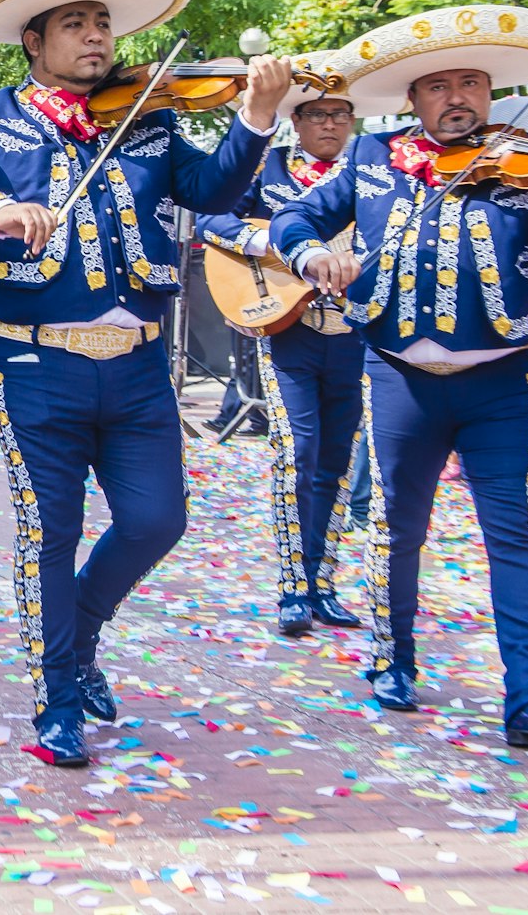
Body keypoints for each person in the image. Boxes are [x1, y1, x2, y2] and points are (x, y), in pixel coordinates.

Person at [0, 0, 287, 766]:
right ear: (34, 40)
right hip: (33, 362)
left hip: (137, 367)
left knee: (158, 520)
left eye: (103, 24)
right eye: (77, 24)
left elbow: (213, 186)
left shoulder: (148, 121)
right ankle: (56, 700)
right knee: (48, 533)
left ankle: (80, 631)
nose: (97, 38)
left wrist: (258, 118)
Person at [272, 3, 528, 749]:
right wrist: (312, 257)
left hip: (503, 383)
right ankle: (394, 661)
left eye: (472, 83)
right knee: (398, 527)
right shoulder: (371, 159)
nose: (457, 97)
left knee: (515, 533)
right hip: (399, 378)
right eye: (439, 86)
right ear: (413, 98)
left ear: (490, 93)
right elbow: (294, 219)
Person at [195, 58, 374, 638]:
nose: (329, 123)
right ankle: (293, 585)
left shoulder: (376, 176)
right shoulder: (268, 170)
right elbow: (210, 219)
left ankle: (324, 581)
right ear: (297, 120)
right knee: (296, 455)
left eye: (340, 114)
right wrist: (264, 243)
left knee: (337, 463)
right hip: (289, 330)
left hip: (356, 336)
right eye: (318, 113)